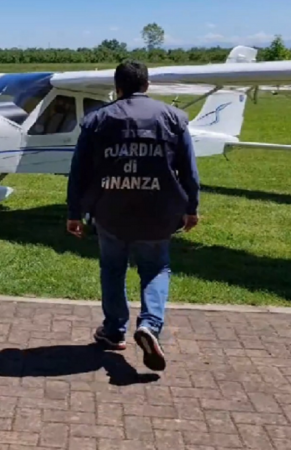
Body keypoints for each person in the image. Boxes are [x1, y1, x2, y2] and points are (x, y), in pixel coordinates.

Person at [65, 60, 200, 371]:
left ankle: (114, 330)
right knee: (155, 268)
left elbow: (79, 171)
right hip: (158, 210)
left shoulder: (97, 120)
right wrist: (191, 207)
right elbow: (189, 171)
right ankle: (150, 325)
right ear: (147, 85)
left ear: (117, 87)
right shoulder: (173, 118)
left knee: (113, 268)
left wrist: (74, 212)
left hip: (110, 210)